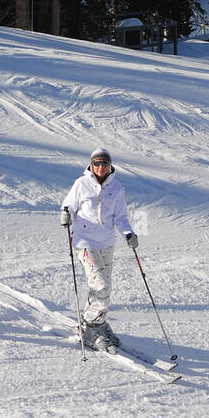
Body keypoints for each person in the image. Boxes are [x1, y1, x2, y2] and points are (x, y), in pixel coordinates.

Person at [60, 148, 138, 350]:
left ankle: (99, 322)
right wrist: (66, 214)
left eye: (105, 163)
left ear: (110, 165)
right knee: (101, 285)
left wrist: (128, 233)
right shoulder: (81, 184)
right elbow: (68, 205)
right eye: (97, 163)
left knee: (104, 287)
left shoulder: (117, 188)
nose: (101, 167)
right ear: (91, 165)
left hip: (107, 243)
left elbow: (120, 217)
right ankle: (91, 325)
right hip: (85, 243)